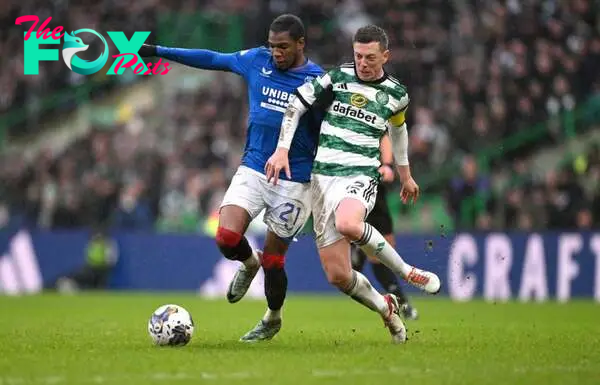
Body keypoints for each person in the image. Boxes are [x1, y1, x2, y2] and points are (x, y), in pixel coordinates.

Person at [139, 14, 324, 340]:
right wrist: (157, 50)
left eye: (283, 47)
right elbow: (212, 58)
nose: (276, 53)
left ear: (300, 44)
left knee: (274, 260)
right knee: (226, 237)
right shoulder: (257, 60)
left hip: (296, 179)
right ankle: (247, 263)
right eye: (272, 46)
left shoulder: (318, 81)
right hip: (253, 167)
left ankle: (272, 317)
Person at [265, 25, 441, 343]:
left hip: (360, 174)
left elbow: (398, 132)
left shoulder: (396, 95)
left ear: (385, 56)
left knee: (349, 224)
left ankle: (406, 272)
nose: (363, 62)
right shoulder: (337, 77)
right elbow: (297, 103)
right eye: (358, 55)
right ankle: (386, 309)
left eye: (370, 57)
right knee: (339, 275)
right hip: (322, 180)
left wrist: (405, 174)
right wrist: (282, 149)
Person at [350, 134, 418, 320]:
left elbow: (384, 136)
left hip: (373, 188)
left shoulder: (370, 112)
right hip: (346, 187)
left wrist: (386, 165)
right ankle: (398, 305)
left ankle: (400, 304)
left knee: (383, 256)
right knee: (351, 270)